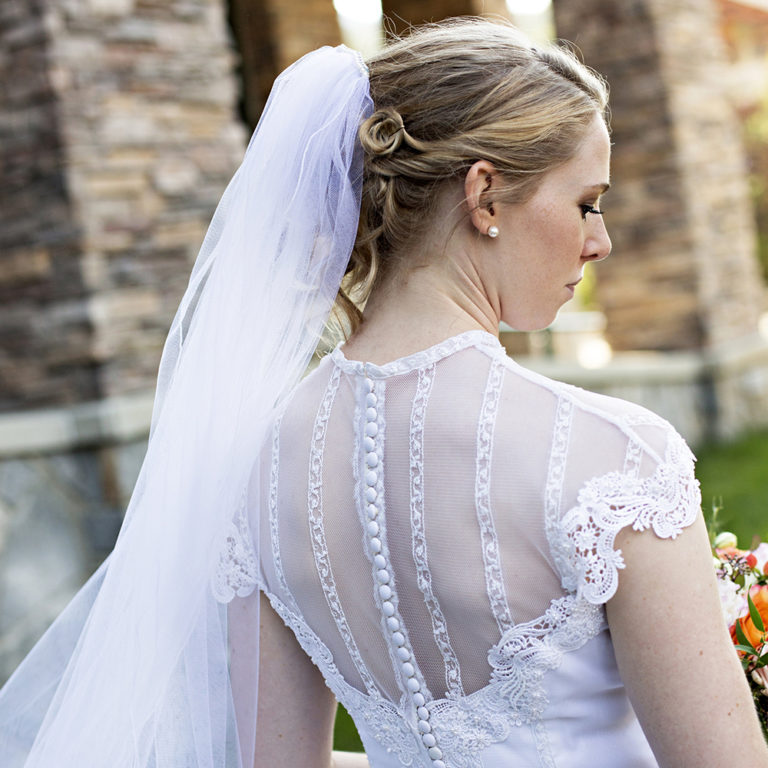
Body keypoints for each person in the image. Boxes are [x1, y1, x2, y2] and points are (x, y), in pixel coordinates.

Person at [0, 16, 766, 768]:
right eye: (585, 201)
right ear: (486, 196)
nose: (599, 239)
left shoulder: (259, 467)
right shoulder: (613, 458)